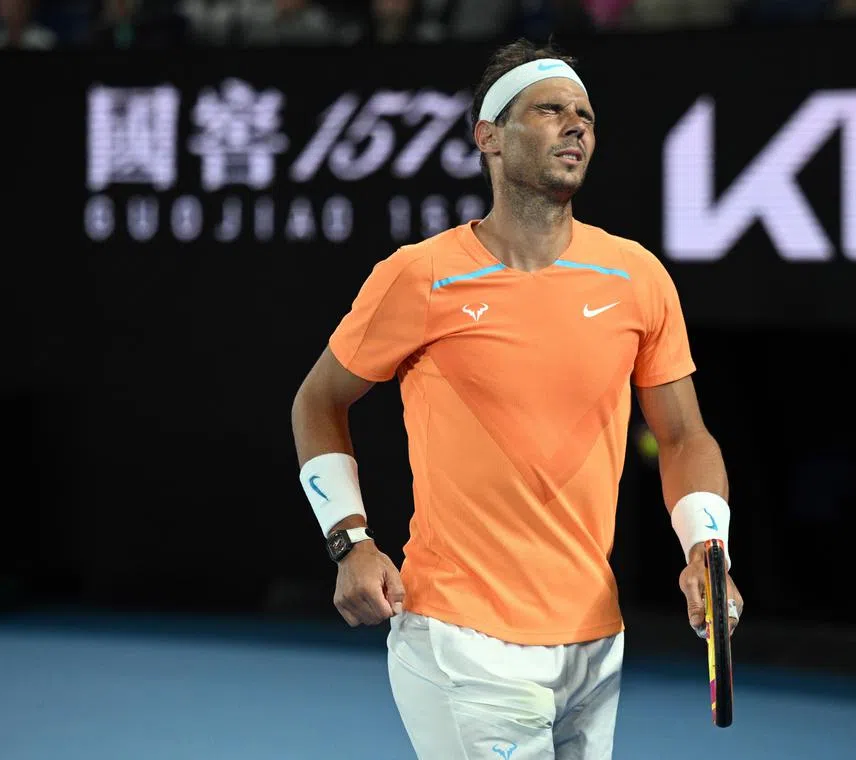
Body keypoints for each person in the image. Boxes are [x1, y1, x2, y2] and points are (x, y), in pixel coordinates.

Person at [290, 38, 744, 760]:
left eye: (586, 115)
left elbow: (685, 438)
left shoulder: (637, 277)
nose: (576, 126)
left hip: (594, 642)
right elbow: (318, 401)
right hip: (463, 637)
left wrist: (706, 551)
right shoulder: (421, 275)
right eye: (551, 110)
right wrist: (349, 539)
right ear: (489, 137)